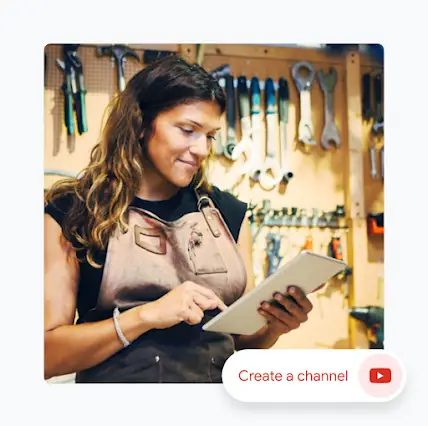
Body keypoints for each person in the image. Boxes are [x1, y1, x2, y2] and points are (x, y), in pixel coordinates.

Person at [44, 55, 313, 383]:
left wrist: (273, 328)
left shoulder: (228, 215)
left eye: (210, 136)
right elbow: (44, 355)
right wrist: (146, 316)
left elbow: (238, 345)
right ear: (141, 125)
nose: (201, 149)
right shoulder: (74, 211)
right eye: (188, 130)